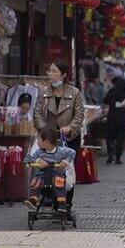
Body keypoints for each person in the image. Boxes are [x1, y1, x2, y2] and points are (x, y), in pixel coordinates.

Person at [34, 60, 84, 209]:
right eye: (49, 71)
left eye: (54, 71)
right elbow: (36, 115)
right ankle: (49, 198)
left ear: (63, 75)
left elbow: (80, 115)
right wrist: (46, 131)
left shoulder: (74, 93)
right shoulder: (43, 93)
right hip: (48, 140)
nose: (50, 73)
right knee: (47, 169)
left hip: (69, 139)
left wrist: (71, 127)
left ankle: (65, 203)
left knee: (66, 171)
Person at [23, 127, 76, 213]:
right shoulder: (39, 151)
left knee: (60, 183)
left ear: (46, 142)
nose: (38, 142)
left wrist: (65, 161)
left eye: (39, 140)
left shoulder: (61, 151)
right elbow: (31, 156)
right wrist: (37, 161)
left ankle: (62, 203)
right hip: (43, 174)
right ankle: (33, 199)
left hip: (57, 173)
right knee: (36, 181)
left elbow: (72, 152)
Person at [104, 76, 125, 164]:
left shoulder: (111, 92)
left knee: (109, 138)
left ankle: (110, 155)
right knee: (120, 140)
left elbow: (105, 101)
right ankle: (118, 158)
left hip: (112, 119)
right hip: (123, 120)